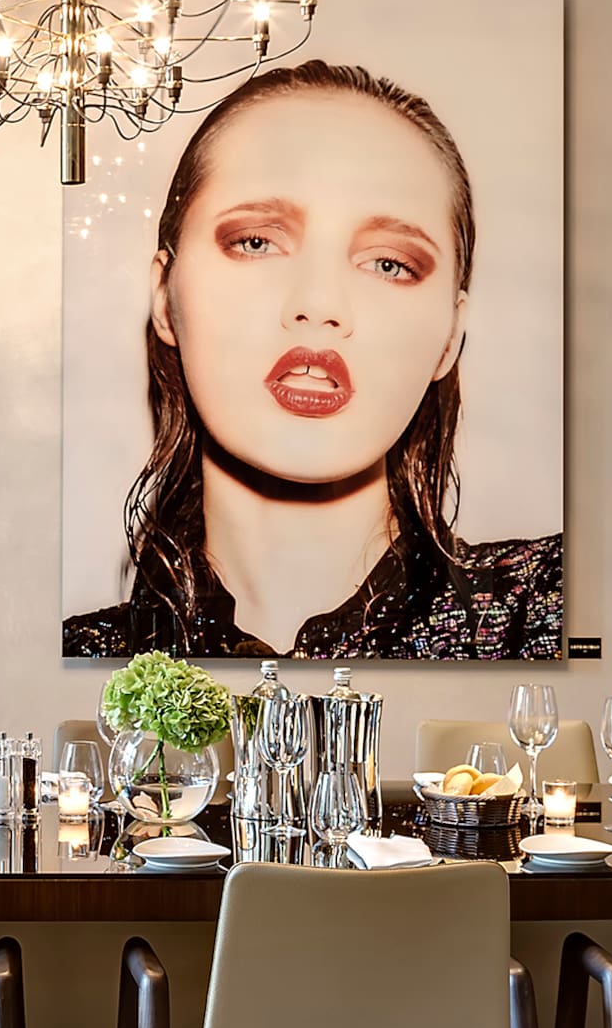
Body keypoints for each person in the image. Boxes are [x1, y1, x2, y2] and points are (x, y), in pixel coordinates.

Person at [64, 58, 561, 659]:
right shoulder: (83, 659)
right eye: (256, 242)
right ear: (165, 300)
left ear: (451, 335)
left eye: (389, 263)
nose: (319, 304)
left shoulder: (551, 608)